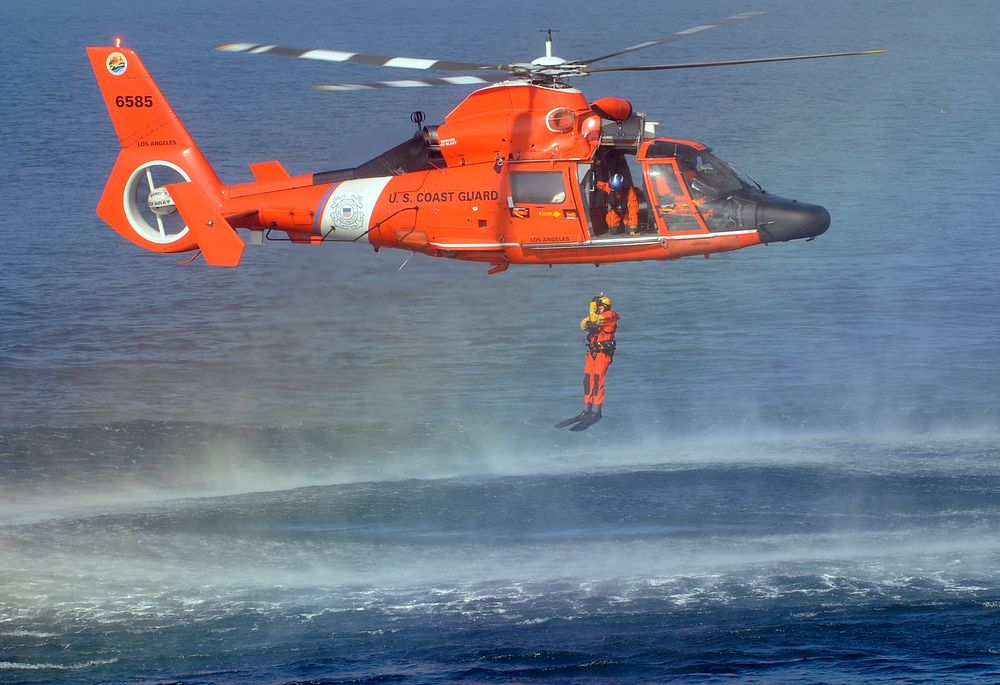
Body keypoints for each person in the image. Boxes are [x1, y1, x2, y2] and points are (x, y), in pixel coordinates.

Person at [555, 294, 620, 430]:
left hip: (603, 354)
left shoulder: (610, 315)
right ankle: (587, 409)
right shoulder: (597, 317)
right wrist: (590, 318)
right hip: (592, 353)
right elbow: (583, 324)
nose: (597, 309)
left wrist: (592, 308)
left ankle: (596, 411)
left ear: (604, 307)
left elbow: (595, 319)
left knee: (597, 380)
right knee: (587, 380)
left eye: (598, 307)